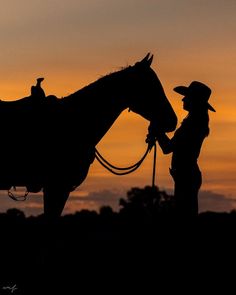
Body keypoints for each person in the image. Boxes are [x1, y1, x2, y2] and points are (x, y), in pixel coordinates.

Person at [146, 81, 215, 217]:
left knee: (183, 216)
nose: (183, 99)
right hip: (187, 174)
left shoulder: (191, 125)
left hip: (185, 175)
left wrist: (157, 130)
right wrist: (158, 132)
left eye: (187, 96)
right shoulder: (195, 123)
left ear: (194, 101)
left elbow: (167, 148)